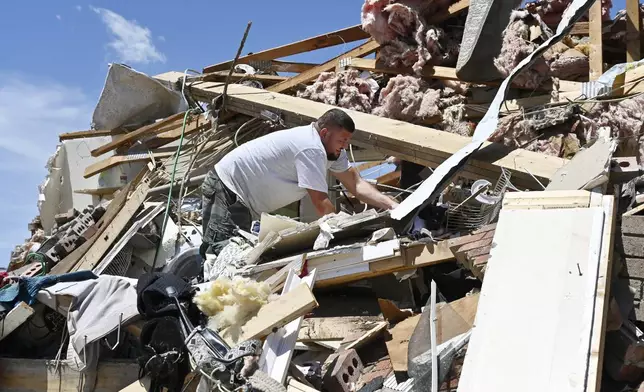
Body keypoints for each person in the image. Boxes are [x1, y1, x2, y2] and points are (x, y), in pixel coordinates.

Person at [199, 108, 399, 257]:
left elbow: (356, 184)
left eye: (347, 141)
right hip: (227, 188)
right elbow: (321, 203)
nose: (344, 146)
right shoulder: (310, 147)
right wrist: (347, 229)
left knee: (237, 254)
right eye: (341, 140)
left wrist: (390, 204)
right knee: (222, 253)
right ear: (324, 134)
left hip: (243, 200)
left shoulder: (333, 152)